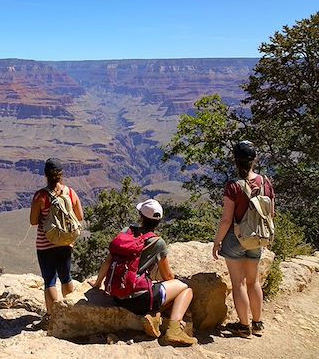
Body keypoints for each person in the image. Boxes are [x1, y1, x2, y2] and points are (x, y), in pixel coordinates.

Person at [91, 198, 198, 346]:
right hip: (140, 300)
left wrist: (97, 284)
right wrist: (174, 280)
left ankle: (155, 316)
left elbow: (108, 261)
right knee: (186, 289)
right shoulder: (157, 243)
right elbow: (167, 276)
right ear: (158, 222)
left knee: (160, 290)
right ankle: (173, 330)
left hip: (117, 295)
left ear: (140, 216)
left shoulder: (125, 233)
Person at [212, 140, 275, 338]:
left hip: (236, 239)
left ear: (235, 160)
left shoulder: (233, 186)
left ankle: (243, 326)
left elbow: (226, 220)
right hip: (257, 238)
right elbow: (270, 214)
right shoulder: (265, 182)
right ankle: (258, 323)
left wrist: (217, 241)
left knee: (238, 283)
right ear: (254, 159)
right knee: (253, 281)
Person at [29, 157, 84, 314]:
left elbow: (33, 221)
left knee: (50, 280)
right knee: (66, 277)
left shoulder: (41, 196)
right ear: (61, 174)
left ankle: (52, 316)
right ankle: (70, 312)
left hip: (45, 243)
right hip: (66, 242)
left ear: (45, 174)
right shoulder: (71, 193)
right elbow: (79, 216)